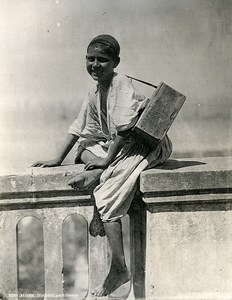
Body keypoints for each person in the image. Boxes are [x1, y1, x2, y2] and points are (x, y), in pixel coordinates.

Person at [32, 34, 172, 296]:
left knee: (106, 195)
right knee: (83, 148)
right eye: (90, 59)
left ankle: (119, 268)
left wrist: (107, 160)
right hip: (120, 144)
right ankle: (98, 171)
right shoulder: (95, 88)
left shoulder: (121, 84)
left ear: (115, 62)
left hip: (146, 145)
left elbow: (122, 128)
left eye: (102, 60)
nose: (95, 65)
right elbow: (80, 126)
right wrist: (57, 159)